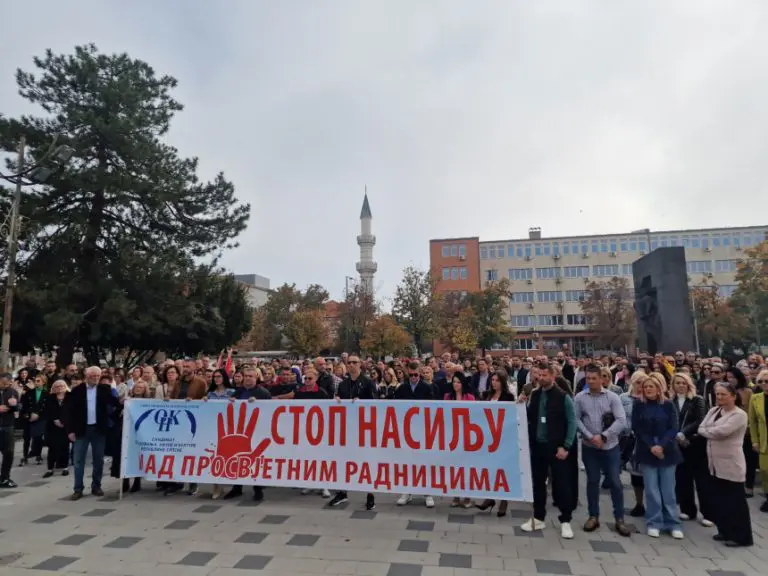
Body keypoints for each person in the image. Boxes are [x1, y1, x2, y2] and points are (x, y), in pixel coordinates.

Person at [574, 364, 631, 536]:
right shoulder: (580, 398)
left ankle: (619, 518)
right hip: (589, 446)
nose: (590, 382)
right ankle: (593, 516)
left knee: (614, 481)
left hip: (610, 446)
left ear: (602, 379)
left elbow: (621, 420)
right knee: (592, 481)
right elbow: (576, 419)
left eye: (594, 378)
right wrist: (590, 436)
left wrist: (604, 436)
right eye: (588, 379)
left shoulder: (612, 397)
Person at [521, 363, 576, 539]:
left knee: (561, 484)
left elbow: (572, 422)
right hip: (538, 446)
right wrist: (520, 405)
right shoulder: (535, 395)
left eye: (545, 375)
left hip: (557, 447)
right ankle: (538, 517)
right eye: (539, 375)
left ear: (553, 376)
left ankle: (565, 520)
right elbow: (529, 416)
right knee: (538, 483)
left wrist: (566, 445)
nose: (541, 378)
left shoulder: (562, 397)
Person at [698, 382, 753, 547]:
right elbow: (702, 427)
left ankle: (741, 536)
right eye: (718, 394)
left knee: (735, 502)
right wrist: (709, 430)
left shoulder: (739, 415)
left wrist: (708, 431)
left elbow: (722, 432)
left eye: (723, 394)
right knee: (720, 500)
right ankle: (725, 530)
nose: (720, 397)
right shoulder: (714, 410)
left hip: (731, 463)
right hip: (714, 462)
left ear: (733, 396)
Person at [632, 372, 683, 539]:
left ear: (659, 389)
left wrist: (661, 445)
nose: (648, 389)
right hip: (647, 450)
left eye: (651, 386)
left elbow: (673, 427)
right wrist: (651, 445)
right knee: (652, 489)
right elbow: (637, 427)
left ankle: (672, 522)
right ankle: (654, 521)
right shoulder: (639, 405)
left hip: (667, 450)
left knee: (668, 490)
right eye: (645, 387)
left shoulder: (668, 405)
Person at [328, 355, 377, 511]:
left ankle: (370, 495)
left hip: (364, 428)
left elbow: (376, 403)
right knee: (343, 460)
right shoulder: (343, 384)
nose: (351, 365)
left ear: (360, 364)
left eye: (354, 362)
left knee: (366, 461)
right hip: (347, 428)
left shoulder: (368, 383)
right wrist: (336, 400)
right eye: (349, 363)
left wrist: (363, 403)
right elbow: (339, 401)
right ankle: (342, 492)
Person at [64, 365, 118, 500]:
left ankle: (96, 485)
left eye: (97, 376)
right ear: (86, 377)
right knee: (78, 460)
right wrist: (70, 430)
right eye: (92, 376)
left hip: (98, 429)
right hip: (81, 429)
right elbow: (69, 412)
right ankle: (78, 488)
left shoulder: (105, 389)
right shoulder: (77, 391)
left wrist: (127, 401)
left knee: (98, 459)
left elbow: (116, 403)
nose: (95, 378)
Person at [222, 366, 271, 502]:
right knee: (237, 459)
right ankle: (237, 488)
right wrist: (230, 402)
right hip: (239, 432)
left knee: (256, 460)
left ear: (256, 378)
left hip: (257, 431)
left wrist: (258, 404)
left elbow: (270, 411)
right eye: (246, 376)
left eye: (251, 376)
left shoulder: (263, 393)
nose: (248, 378)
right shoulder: (238, 392)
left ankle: (258, 489)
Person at [670, 373, 712, 526]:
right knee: (682, 479)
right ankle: (687, 509)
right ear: (673, 385)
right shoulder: (671, 401)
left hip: (695, 443)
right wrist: (676, 436)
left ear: (689, 384)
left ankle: (708, 513)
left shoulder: (697, 400)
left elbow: (700, 419)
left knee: (702, 480)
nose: (681, 385)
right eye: (678, 383)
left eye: (684, 383)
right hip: (678, 444)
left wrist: (684, 433)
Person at [476, 371, 516, 516]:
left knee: (502, 470)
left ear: (502, 382)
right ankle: (490, 498)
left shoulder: (508, 397)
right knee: (490, 469)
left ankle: (504, 501)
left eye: (497, 380)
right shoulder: (486, 395)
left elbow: (511, 415)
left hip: (502, 438)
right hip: (487, 438)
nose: (494, 383)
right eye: (492, 380)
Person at [748, 369, 768, 513]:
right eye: (760, 381)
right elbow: (752, 421)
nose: (764, 384)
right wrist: (754, 440)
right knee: (765, 470)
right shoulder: (756, 398)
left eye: (767, 381)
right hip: (764, 440)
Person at [43, 380, 71, 478]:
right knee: (52, 447)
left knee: (65, 447)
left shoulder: (70, 397)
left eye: (62, 386)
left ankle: (65, 467)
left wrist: (63, 421)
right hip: (52, 426)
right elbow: (47, 411)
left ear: (65, 386)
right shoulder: (50, 398)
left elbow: (71, 411)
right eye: (57, 386)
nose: (60, 388)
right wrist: (55, 420)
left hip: (65, 426)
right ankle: (50, 468)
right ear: (54, 388)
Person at [0, 373, 20, 488]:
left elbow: (18, 408)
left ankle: (5, 478)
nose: (4, 385)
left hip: (8, 426)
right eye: (2, 383)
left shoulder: (12, 392)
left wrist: (14, 405)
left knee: (9, 453)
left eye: (6, 383)